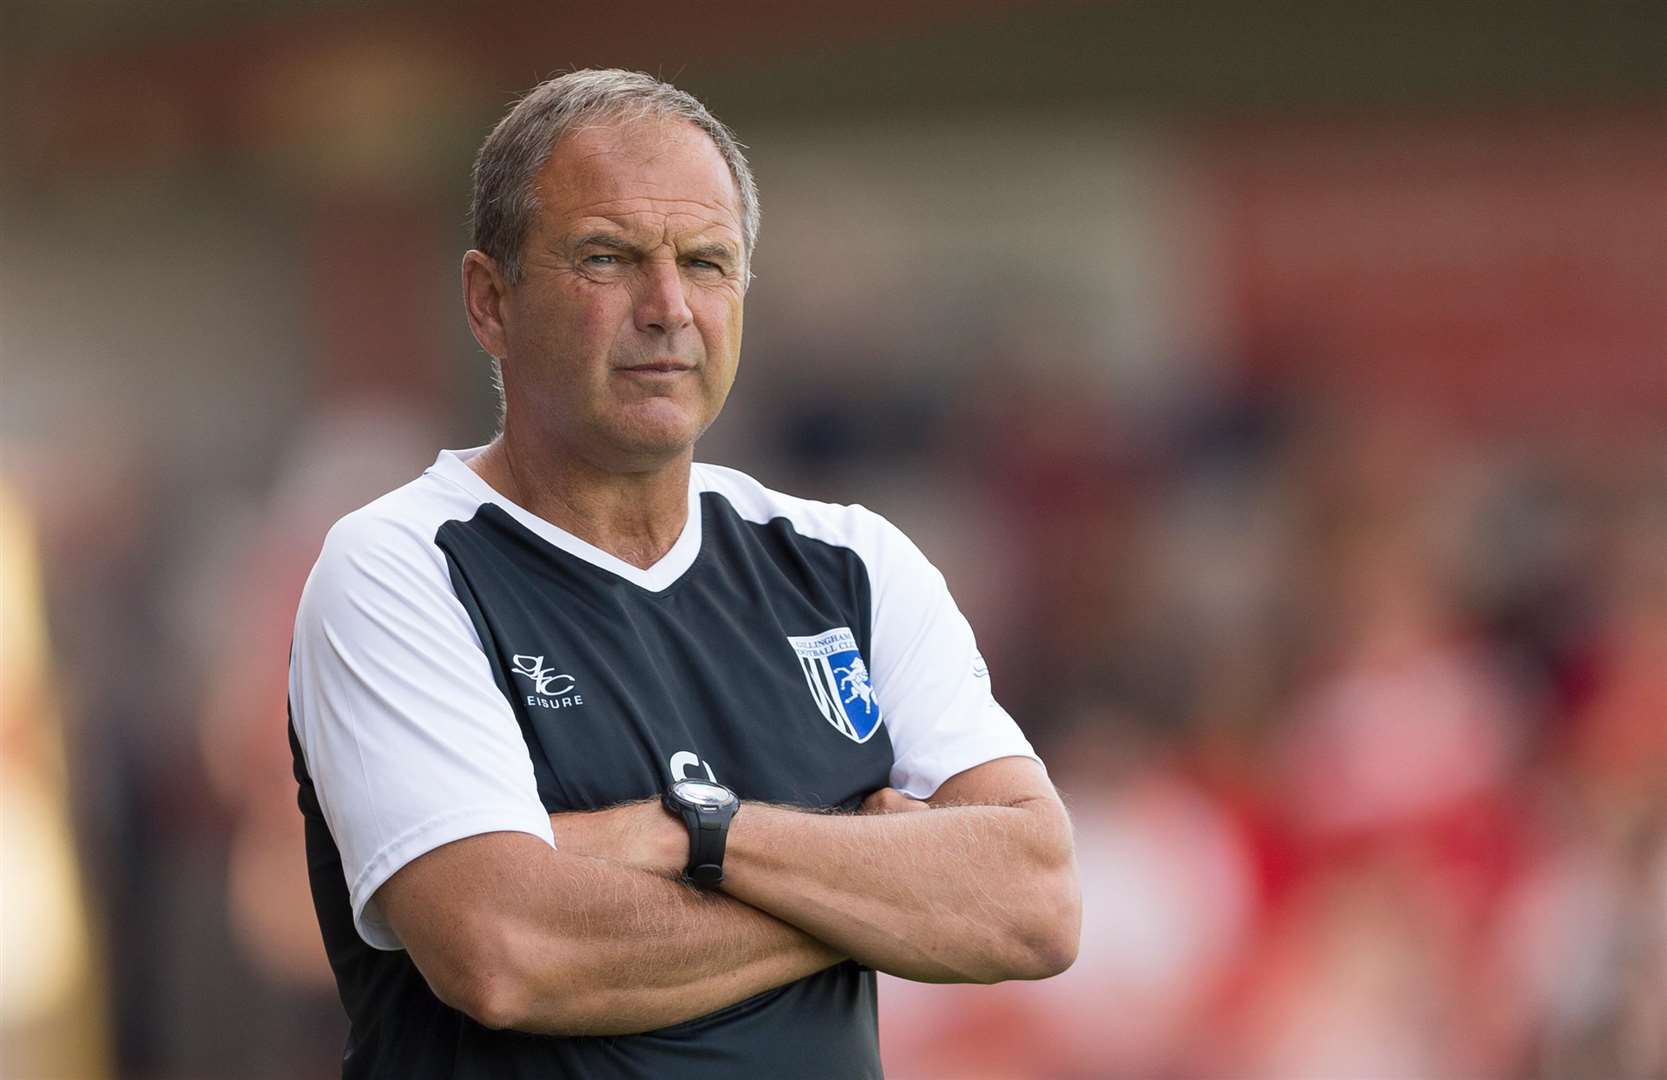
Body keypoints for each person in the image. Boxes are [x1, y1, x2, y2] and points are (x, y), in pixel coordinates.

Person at [287, 68, 1080, 1079]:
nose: (666, 308)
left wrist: (700, 834)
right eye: (607, 258)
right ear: (489, 302)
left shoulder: (849, 563)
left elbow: (1036, 903)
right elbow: (506, 951)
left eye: (706, 263)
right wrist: (870, 895)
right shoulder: (400, 569)